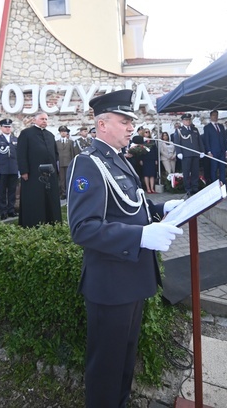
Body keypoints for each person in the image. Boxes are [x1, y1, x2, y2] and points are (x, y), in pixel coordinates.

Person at [66, 89, 183, 408]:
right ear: (102, 124)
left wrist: (162, 210)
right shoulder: (87, 164)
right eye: (124, 120)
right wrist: (141, 237)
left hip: (132, 280)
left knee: (124, 363)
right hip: (110, 285)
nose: (132, 126)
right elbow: (82, 228)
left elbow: (133, 207)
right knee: (106, 368)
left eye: (132, 120)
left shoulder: (119, 159)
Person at [17, 112, 62, 227]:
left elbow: (55, 155)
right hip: (32, 174)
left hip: (50, 174)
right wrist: (23, 171)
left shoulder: (50, 135)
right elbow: (21, 153)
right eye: (42, 119)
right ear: (34, 120)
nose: (44, 121)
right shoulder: (26, 133)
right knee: (35, 198)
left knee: (50, 198)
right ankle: (33, 223)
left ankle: (52, 221)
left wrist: (56, 171)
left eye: (46, 119)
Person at [0, 118, 19, 220]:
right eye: (5, 127)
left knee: (12, 191)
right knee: (2, 192)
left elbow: (18, 155)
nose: (7, 128)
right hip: (2, 170)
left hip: (13, 169)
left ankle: (11, 210)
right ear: (1, 128)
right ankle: (3, 211)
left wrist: (19, 169)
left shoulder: (15, 139)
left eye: (9, 127)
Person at [174, 113, 205, 196]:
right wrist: (179, 152)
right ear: (183, 121)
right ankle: (188, 188)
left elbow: (199, 141)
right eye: (186, 120)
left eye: (189, 120)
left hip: (195, 153)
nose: (188, 121)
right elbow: (177, 142)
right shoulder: (179, 130)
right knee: (186, 172)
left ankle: (195, 188)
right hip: (186, 154)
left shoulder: (194, 129)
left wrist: (202, 151)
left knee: (195, 172)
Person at [203, 110, 227, 189]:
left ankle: (223, 186)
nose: (216, 117)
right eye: (214, 115)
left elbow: (224, 139)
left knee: (222, 169)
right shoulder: (207, 127)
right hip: (213, 151)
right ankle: (215, 186)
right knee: (214, 169)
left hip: (222, 151)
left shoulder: (221, 126)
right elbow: (206, 140)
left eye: (217, 115)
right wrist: (208, 151)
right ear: (211, 116)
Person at [56, 125, 75, 199]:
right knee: (62, 179)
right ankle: (63, 192)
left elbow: (73, 152)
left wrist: (73, 162)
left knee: (69, 177)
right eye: (62, 132)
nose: (63, 133)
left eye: (64, 132)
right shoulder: (56, 142)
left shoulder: (70, 142)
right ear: (60, 133)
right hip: (60, 163)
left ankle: (69, 191)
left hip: (68, 162)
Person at [140, 128, 158, 194]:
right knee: (146, 174)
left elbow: (155, 151)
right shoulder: (142, 141)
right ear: (143, 133)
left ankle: (152, 188)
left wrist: (156, 159)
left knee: (152, 174)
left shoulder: (152, 141)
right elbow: (140, 151)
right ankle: (148, 188)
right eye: (146, 132)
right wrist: (141, 159)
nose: (147, 133)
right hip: (145, 159)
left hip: (151, 159)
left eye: (148, 132)